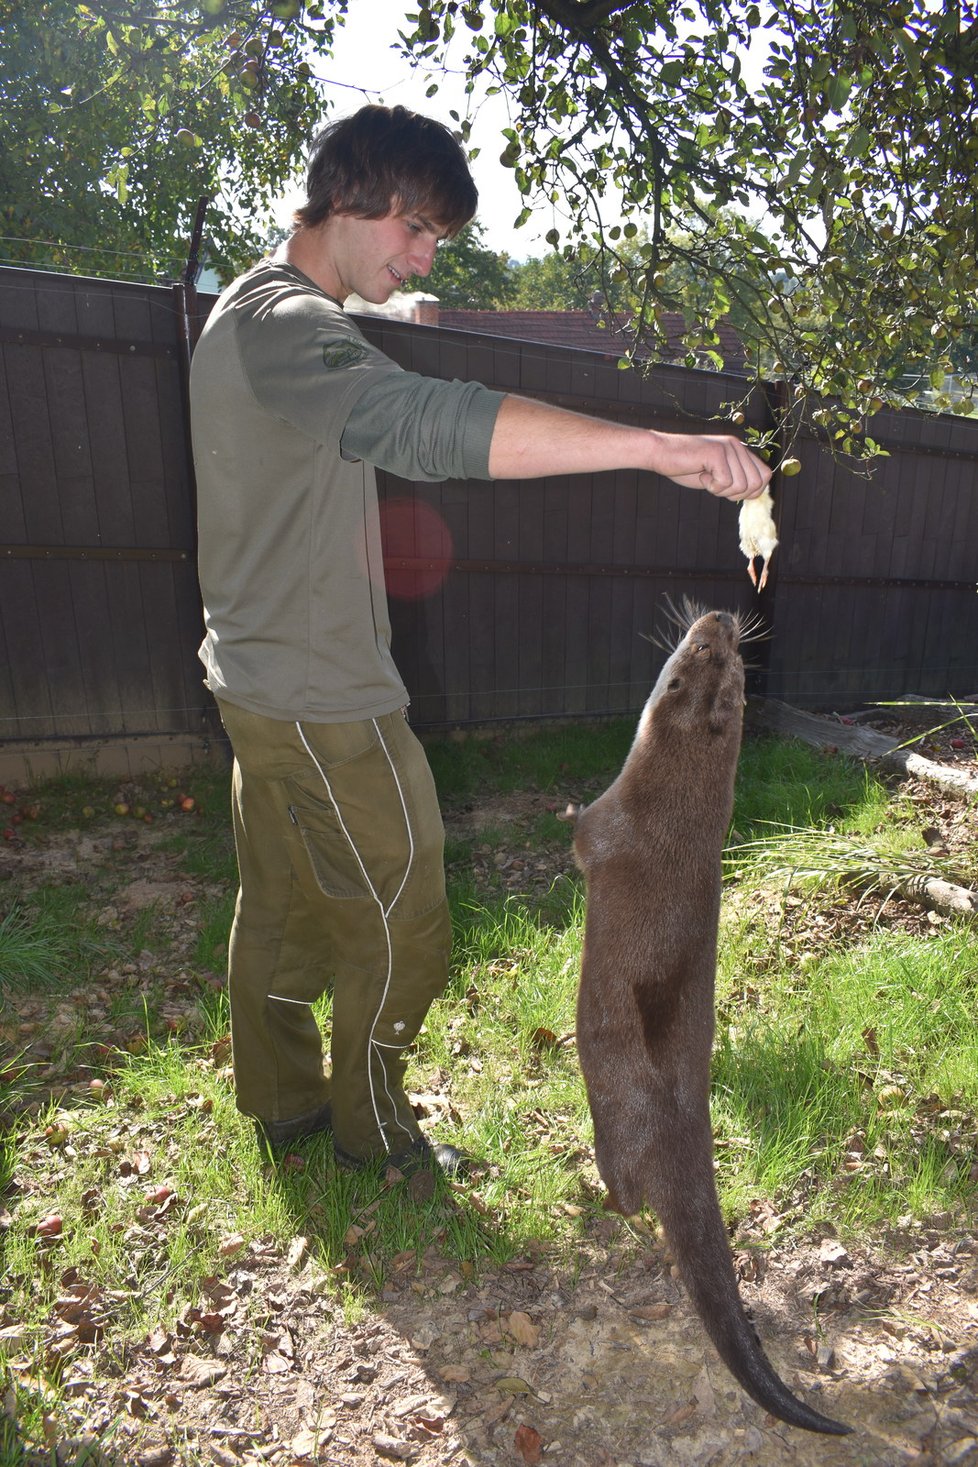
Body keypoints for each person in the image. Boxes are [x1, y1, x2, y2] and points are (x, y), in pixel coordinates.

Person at [189, 103, 770, 1178]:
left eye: (436, 242)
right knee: (407, 923)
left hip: (255, 680)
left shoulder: (243, 308)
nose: (420, 259)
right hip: (321, 699)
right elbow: (427, 421)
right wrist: (652, 447)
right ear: (348, 195)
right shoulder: (286, 326)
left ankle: (280, 1102)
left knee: (280, 908)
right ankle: (377, 1139)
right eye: (414, 227)